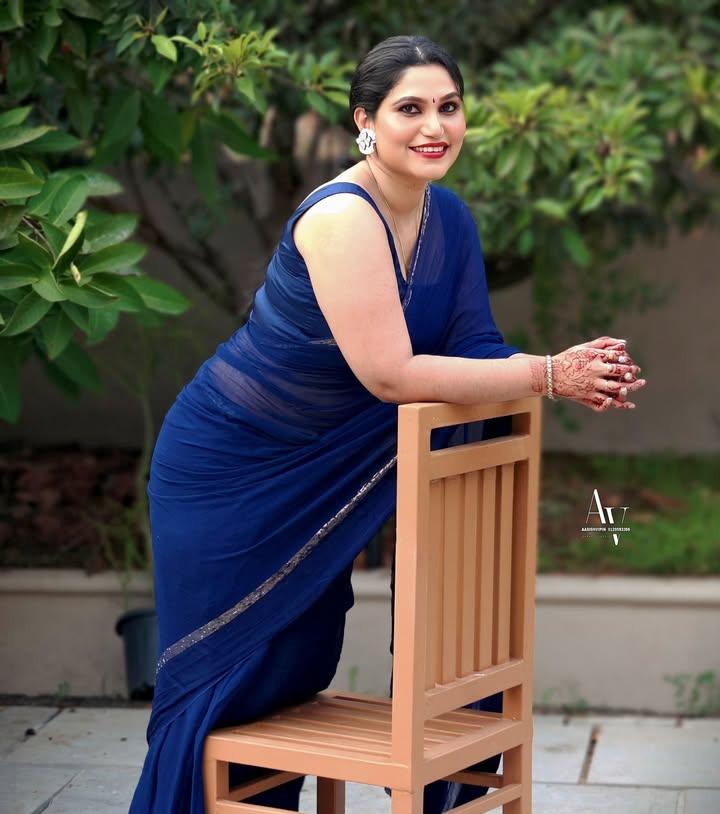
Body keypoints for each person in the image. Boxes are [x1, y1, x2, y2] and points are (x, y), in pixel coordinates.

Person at [129, 34, 646, 813]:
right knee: (233, 684)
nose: (434, 126)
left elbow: (473, 347)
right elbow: (390, 375)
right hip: (234, 469)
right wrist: (547, 374)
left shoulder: (449, 219)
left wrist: (574, 376)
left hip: (328, 467)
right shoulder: (342, 217)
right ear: (365, 121)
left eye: (449, 106)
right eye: (410, 108)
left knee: (297, 665)